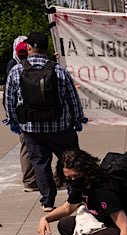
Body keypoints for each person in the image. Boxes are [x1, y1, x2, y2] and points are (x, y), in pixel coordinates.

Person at [5, 31, 86, 212]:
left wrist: (13, 121)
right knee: (70, 161)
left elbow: (10, 100)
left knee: (40, 164)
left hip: (32, 128)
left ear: (29, 48)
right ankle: (75, 197)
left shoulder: (17, 70)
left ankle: (47, 201)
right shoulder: (58, 70)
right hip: (61, 126)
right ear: (46, 49)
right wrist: (78, 118)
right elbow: (72, 97)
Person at [4, 36, 35, 193]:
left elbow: (9, 96)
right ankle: (31, 179)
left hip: (24, 113)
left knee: (29, 146)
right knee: (30, 146)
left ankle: (32, 179)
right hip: (28, 113)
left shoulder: (15, 65)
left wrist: (11, 117)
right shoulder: (16, 66)